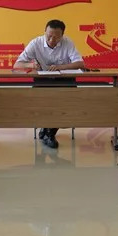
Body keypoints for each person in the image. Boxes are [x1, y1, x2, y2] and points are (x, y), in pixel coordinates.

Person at [14, 19, 85, 148]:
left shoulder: (68, 42)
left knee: (65, 102)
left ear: (62, 36)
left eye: (56, 37)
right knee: (43, 100)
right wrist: (31, 65)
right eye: (49, 36)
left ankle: (49, 132)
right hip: (43, 79)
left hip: (64, 79)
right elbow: (17, 65)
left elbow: (80, 64)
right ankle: (48, 131)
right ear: (44, 32)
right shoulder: (36, 43)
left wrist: (60, 67)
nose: (52, 40)